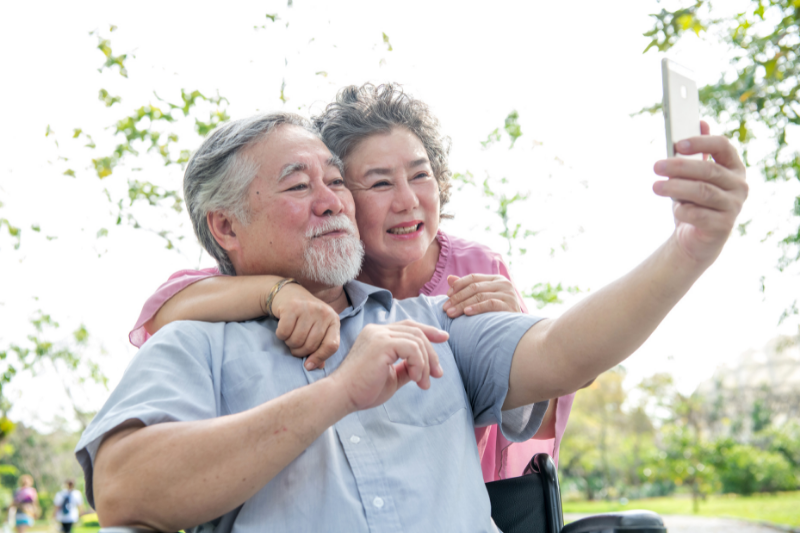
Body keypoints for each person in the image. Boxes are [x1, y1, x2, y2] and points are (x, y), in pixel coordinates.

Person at [77, 109, 747, 532]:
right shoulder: (196, 341)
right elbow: (124, 489)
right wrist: (338, 393)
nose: (330, 199)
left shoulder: (439, 318)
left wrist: (687, 251)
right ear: (226, 226)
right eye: (297, 184)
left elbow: (566, 347)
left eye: (335, 180)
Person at [128, 83, 572, 479]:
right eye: (379, 184)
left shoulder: (476, 266)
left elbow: (541, 404)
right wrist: (279, 293)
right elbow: (171, 304)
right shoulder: (322, 268)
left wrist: (514, 331)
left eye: (421, 175)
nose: (407, 201)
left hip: (471, 487)